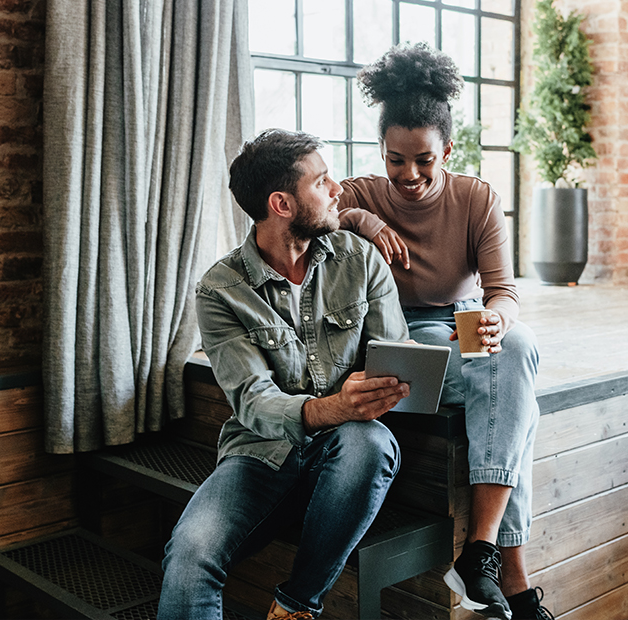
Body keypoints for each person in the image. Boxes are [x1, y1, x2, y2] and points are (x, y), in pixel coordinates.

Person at [158, 129, 412, 620]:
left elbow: (395, 357)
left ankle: (295, 606)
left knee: (372, 441)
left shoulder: (359, 259)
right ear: (282, 203)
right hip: (260, 454)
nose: (337, 188)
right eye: (321, 182)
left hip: (347, 450)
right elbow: (253, 401)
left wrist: (387, 386)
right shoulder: (220, 290)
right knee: (189, 554)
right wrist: (335, 405)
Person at [337, 43, 551, 620]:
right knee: (514, 400)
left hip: (461, 324)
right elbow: (320, 213)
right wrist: (365, 219)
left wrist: (499, 316)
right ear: (382, 152)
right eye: (396, 160)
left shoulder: (477, 198)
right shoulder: (361, 192)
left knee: (519, 348)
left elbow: (504, 290)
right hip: (402, 335)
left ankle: (478, 549)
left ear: (447, 150)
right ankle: (511, 574)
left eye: (424, 160)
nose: (410, 175)